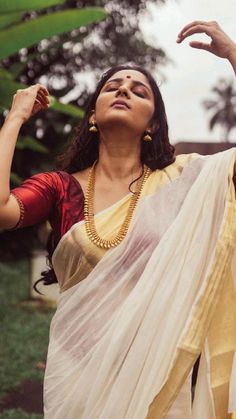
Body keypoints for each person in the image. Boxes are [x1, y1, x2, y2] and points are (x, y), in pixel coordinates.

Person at [0, 20, 236, 419]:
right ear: (92, 114)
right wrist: (14, 118)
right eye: (112, 86)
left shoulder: (182, 181)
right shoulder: (60, 188)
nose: (124, 89)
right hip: (77, 380)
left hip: (155, 381)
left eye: (138, 90)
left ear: (154, 122)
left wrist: (233, 54)